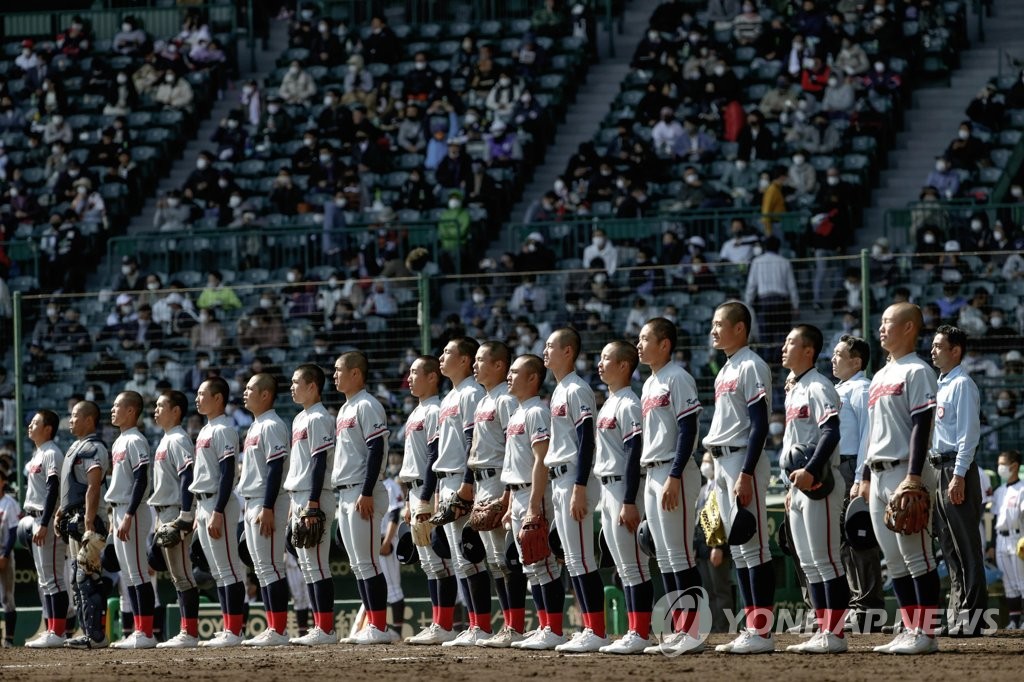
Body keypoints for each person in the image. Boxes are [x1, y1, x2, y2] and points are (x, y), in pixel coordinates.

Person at [858, 302, 941, 654]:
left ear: (909, 327)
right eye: (880, 322)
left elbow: (922, 425)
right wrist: (863, 474)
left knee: (917, 556)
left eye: (888, 322)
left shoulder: (918, 371)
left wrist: (912, 477)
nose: (881, 328)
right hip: (878, 474)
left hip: (906, 471)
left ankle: (927, 634)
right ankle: (909, 629)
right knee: (893, 561)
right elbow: (871, 431)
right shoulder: (879, 375)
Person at [702, 302, 775, 654]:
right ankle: (751, 628)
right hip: (722, 464)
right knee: (741, 552)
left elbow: (760, 424)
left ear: (740, 328)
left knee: (755, 549)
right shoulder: (727, 368)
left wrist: (745, 472)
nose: (714, 330)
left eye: (719, 324)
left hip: (743, 461)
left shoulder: (752, 364)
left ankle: (761, 632)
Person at [633, 318, 705, 654]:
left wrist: (675, 475)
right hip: (653, 472)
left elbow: (689, 429)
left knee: (681, 555)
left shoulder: (678, 377)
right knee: (665, 558)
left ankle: (693, 633)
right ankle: (681, 628)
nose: (639, 343)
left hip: (674, 472)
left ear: (665, 344)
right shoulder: (649, 383)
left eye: (646, 338)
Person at [778, 325, 849, 654]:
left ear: (808, 351)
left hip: (821, 481)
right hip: (800, 486)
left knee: (827, 560)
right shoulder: (796, 388)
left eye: (791, 342)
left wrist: (809, 470)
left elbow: (831, 431)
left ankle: (834, 634)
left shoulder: (819, 386)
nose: (784, 347)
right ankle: (823, 630)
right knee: (809, 563)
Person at [534, 328, 605, 652]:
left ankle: (597, 630)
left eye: (551, 346)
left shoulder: (577, 389)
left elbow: (587, 439)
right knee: (573, 560)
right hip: (561, 479)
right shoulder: (561, 389)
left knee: (582, 559)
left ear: (568, 352)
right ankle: (590, 627)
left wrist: (578, 486)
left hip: (574, 479)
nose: (544, 350)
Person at [590, 340, 651, 654]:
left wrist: (629, 500)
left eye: (606, 358)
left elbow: (633, 452)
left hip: (625, 489)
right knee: (626, 567)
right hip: (608, 487)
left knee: (635, 565)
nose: (600, 364)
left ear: (625, 365)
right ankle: (635, 630)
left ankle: (640, 633)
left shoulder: (628, 402)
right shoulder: (610, 401)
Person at [429, 338, 491, 645]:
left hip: (464, 480)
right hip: (447, 479)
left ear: (465, 360)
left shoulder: (471, 393)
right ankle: (473, 625)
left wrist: (467, 485)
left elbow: (473, 443)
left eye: (448, 353)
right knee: (459, 560)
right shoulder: (450, 396)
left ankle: (480, 625)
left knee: (471, 557)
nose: (441, 358)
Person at [502, 354, 563, 650]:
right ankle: (544, 626)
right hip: (518, 492)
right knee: (531, 567)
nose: (509, 376)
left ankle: (554, 628)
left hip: (533, 493)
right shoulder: (517, 412)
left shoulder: (537, 411)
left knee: (544, 563)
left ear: (533, 378)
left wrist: (534, 505)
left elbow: (542, 460)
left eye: (515, 372)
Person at [468, 341, 528, 647]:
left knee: (507, 559)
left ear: (499, 366)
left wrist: (506, 494)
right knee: (495, 562)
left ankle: (515, 626)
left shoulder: (504, 400)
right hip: (482, 480)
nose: (475, 365)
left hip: (498, 480)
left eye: (481, 360)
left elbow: (512, 449)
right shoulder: (484, 400)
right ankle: (508, 625)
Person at [929, 325, 986, 637]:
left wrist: (960, 475)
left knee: (966, 546)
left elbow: (968, 435)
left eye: (940, 346)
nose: (933, 350)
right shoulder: (943, 383)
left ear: (956, 351)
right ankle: (956, 615)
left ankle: (972, 617)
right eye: (934, 345)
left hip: (955, 469)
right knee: (948, 547)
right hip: (940, 468)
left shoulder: (962, 384)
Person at [331, 352, 392, 644]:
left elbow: (376, 449)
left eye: (339, 370)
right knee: (358, 564)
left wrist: (367, 491)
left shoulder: (367, 405)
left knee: (367, 562)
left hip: (362, 490)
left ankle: (378, 626)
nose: (335, 375)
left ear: (356, 373)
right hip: (346, 491)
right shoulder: (345, 409)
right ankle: (372, 623)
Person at [400, 356, 459, 645]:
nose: (409, 378)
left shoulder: (435, 409)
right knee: (428, 564)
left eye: (414, 373)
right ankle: (439, 623)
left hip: (427, 488)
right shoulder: (418, 411)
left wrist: (425, 499)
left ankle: (445, 624)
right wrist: (408, 501)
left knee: (439, 562)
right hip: (414, 490)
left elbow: (433, 456)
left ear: (433, 377)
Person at [831, 335, 885, 632]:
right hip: (836, 465)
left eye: (839, 355)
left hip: (852, 464)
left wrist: (859, 477)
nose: (833, 359)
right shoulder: (840, 389)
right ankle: (855, 604)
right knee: (842, 542)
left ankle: (868, 606)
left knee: (859, 537)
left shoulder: (862, 389)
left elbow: (869, 435)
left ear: (857, 361)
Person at [189, 378, 246, 647]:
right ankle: (229, 629)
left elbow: (227, 474)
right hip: (204, 503)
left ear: (219, 399)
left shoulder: (223, 429)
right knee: (219, 571)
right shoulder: (205, 429)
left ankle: (234, 631)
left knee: (229, 570)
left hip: (217, 504)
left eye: (203, 394)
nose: (198, 398)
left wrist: (218, 510)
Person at [285, 364, 339, 646]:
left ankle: (326, 629)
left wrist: (313, 502)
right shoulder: (299, 418)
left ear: (312, 386)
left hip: (312, 495)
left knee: (317, 565)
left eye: (297, 382)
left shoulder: (319, 418)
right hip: (299, 495)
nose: (292, 387)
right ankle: (320, 626)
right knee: (308, 567)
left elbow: (319, 463)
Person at [237, 374, 291, 646]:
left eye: (250, 389)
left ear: (266, 395)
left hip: (266, 501)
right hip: (252, 500)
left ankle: (278, 630)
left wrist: (268, 506)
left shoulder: (272, 424)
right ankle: (273, 627)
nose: (244, 392)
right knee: (262, 569)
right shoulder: (256, 425)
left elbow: (276, 467)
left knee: (271, 567)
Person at [104, 392, 156, 649]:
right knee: (130, 576)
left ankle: (145, 633)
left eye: (117, 405)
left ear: (132, 411)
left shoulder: (135, 440)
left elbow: (141, 480)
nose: (112, 410)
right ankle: (139, 630)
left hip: (131, 511)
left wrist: (129, 514)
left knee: (138, 574)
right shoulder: (119, 441)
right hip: (119, 510)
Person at [149, 391, 201, 649]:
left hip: (175, 511)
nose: (156, 410)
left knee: (183, 577)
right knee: (177, 576)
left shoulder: (178, 438)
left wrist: (185, 515)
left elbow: (187, 475)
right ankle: (187, 631)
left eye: (161, 406)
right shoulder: (166, 439)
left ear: (176, 410)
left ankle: (189, 633)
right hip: (163, 511)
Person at [60, 401, 112, 649]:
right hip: (75, 519)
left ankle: (96, 636)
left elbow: (93, 486)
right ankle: (88, 632)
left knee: (86, 577)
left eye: (74, 416)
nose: (70, 420)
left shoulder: (93, 447)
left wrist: (90, 521)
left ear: (89, 419)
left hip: (88, 519)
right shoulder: (75, 447)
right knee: (77, 578)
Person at [22, 410, 71, 648]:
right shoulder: (38, 453)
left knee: (53, 579)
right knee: (45, 580)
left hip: (46, 519)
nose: (30, 426)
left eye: (35, 423)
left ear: (48, 428)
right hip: (35, 518)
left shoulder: (52, 452)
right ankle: (52, 628)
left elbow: (53, 489)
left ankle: (58, 632)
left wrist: (43, 523)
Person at [745, 236, 799, 356]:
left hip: (764, 301)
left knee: (765, 333)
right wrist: (795, 305)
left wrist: (747, 304)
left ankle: (767, 359)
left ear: (764, 247)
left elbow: (751, 285)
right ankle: (778, 360)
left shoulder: (757, 262)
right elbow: (792, 286)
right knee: (782, 332)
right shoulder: (784, 262)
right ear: (778, 247)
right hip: (781, 301)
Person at [990, 450, 1024, 629]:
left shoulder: (1023, 488)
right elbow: (995, 518)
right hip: (1001, 540)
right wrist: (991, 545)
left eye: (1003, 464)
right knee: (1008, 583)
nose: (1000, 467)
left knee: (1022, 581)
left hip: (1019, 538)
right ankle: (1014, 621)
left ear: (1014, 466)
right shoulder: (999, 491)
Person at [0, 463, 21, 648]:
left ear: (3, 482)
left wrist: (5, 555)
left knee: (7, 598)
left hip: (3, 554)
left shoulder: (10, 503)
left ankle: (9, 639)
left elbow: (14, 532)